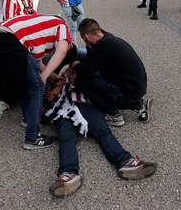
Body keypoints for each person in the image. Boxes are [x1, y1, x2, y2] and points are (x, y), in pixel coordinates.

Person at [44, 69, 157, 198]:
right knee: (66, 139)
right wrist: (53, 92)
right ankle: (68, 174)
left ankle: (126, 162)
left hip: (85, 105)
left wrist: (71, 76)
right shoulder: (48, 81)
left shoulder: (78, 74)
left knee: (103, 132)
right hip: (62, 111)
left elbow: (89, 77)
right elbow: (42, 96)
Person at [0, 13, 71, 149]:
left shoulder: (37, 30)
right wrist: (44, 77)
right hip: (8, 40)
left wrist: (51, 75)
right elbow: (62, 51)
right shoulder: (61, 25)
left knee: (26, 81)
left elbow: (34, 62)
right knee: (37, 88)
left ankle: (27, 118)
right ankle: (33, 138)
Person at [73, 18, 151, 126]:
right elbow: (92, 60)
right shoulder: (108, 37)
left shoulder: (103, 47)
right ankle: (138, 103)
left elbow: (86, 71)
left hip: (129, 91)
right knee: (85, 61)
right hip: (136, 86)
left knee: (82, 82)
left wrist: (75, 66)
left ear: (85, 36)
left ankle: (114, 115)